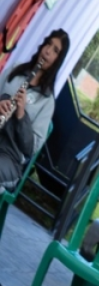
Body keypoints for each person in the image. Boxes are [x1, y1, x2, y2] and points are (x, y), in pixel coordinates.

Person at [0, 29, 69, 194]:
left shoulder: (47, 101)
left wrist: (21, 114)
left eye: (55, 51)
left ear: (57, 61)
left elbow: (31, 148)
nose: (47, 51)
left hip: (10, 158)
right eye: (48, 44)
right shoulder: (16, 70)